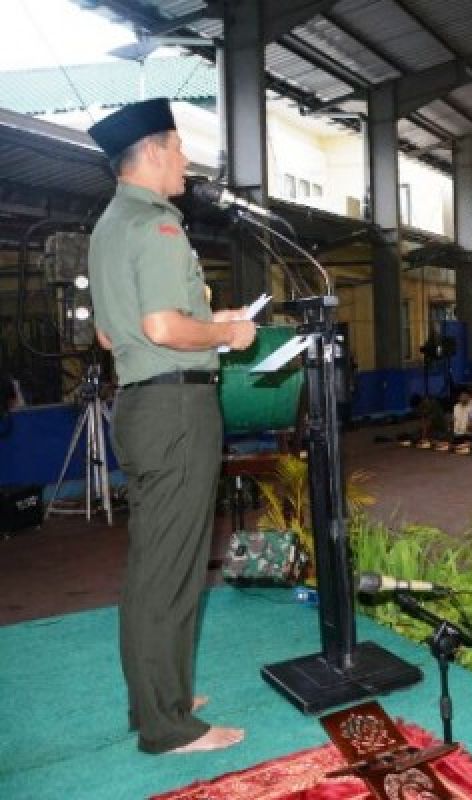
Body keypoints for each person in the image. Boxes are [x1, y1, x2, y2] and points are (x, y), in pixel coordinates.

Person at [87, 98, 255, 754]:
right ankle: (169, 726)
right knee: (172, 569)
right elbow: (162, 327)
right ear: (153, 152)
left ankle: (160, 697)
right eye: (180, 149)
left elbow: (110, 333)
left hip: (141, 402)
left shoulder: (107, 227)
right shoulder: (157, 225)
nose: (186, 161)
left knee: (155, 565)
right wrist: (227, 332)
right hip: (177, 408)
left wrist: (205, 324)